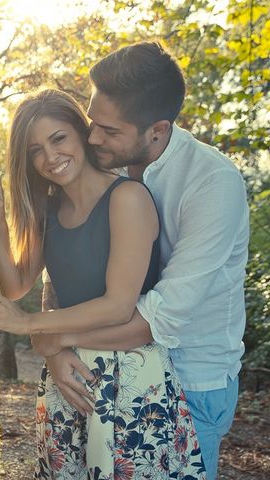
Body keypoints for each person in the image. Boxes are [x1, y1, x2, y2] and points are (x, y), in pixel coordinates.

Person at [32, 41, 249, 480]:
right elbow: (68, 265)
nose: (93, 138)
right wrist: (54, 346)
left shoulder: (212, 185)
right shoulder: (102, 162)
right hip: (102, 371)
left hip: (191, 380)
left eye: (109, 131)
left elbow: (158, 319)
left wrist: (51, 339)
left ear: (157, 129)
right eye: (93, 123)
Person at [0, 89, 206, 479]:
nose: (50, 158)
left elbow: (119, 304)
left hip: (131, 377)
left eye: (58, 138)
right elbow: (15, 286)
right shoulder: (48, 210)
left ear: (82, 133)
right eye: (35, 151)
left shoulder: (127, 198)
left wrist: (30, 325)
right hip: (68, 377)